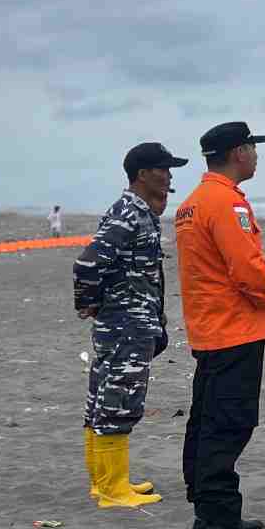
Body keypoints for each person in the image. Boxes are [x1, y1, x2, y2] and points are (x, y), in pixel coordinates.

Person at [175, 121, 265, 529]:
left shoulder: (192, 204)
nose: (256, 156)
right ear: (238, 152)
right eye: (253, 148)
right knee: (228, 425)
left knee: (206, 421)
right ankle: (222, 527)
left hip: (210, 327)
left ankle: (208, 514)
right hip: (233, 328)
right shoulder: (226, 202)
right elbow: (245, 269)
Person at [73, 142, 180, 509]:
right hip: (126, 324)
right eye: (163, 169)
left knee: (104, 399)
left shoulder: (138, 211)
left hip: (127, 322)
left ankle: (104, 482)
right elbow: (88, 264)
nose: (169, 175)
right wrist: (89, 303)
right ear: (143, 174)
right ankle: (112, 489)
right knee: (118, 402)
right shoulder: (129, 213)